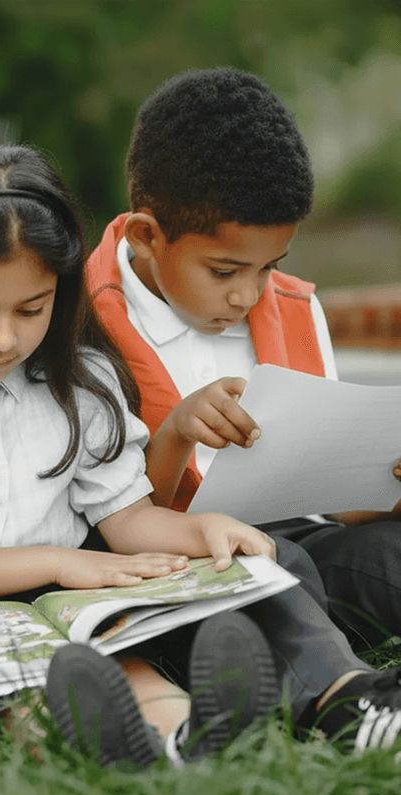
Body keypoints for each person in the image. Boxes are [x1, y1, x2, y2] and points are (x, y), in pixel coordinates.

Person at [0, 143, 389, 767]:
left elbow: (127, 520)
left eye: (32, 309)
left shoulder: (81, 381)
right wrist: (59, 563)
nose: (4, 338)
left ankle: (272, 717)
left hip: (76, 600)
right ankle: (122, 741)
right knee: (37, 670)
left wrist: (202, 530)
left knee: (248, 570)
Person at [87, 67, 401, 735]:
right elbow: (100, 522)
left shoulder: (293, 307)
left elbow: (333, 499)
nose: (248, 295)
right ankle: (350, 701)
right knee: (269, 563)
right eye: (224, 272)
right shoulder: (75, 327)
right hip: (171, 572)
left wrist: (386, 480)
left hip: (302, 548)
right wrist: (174, 434)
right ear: (146, 236)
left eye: (270, 266)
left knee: (386, 550)